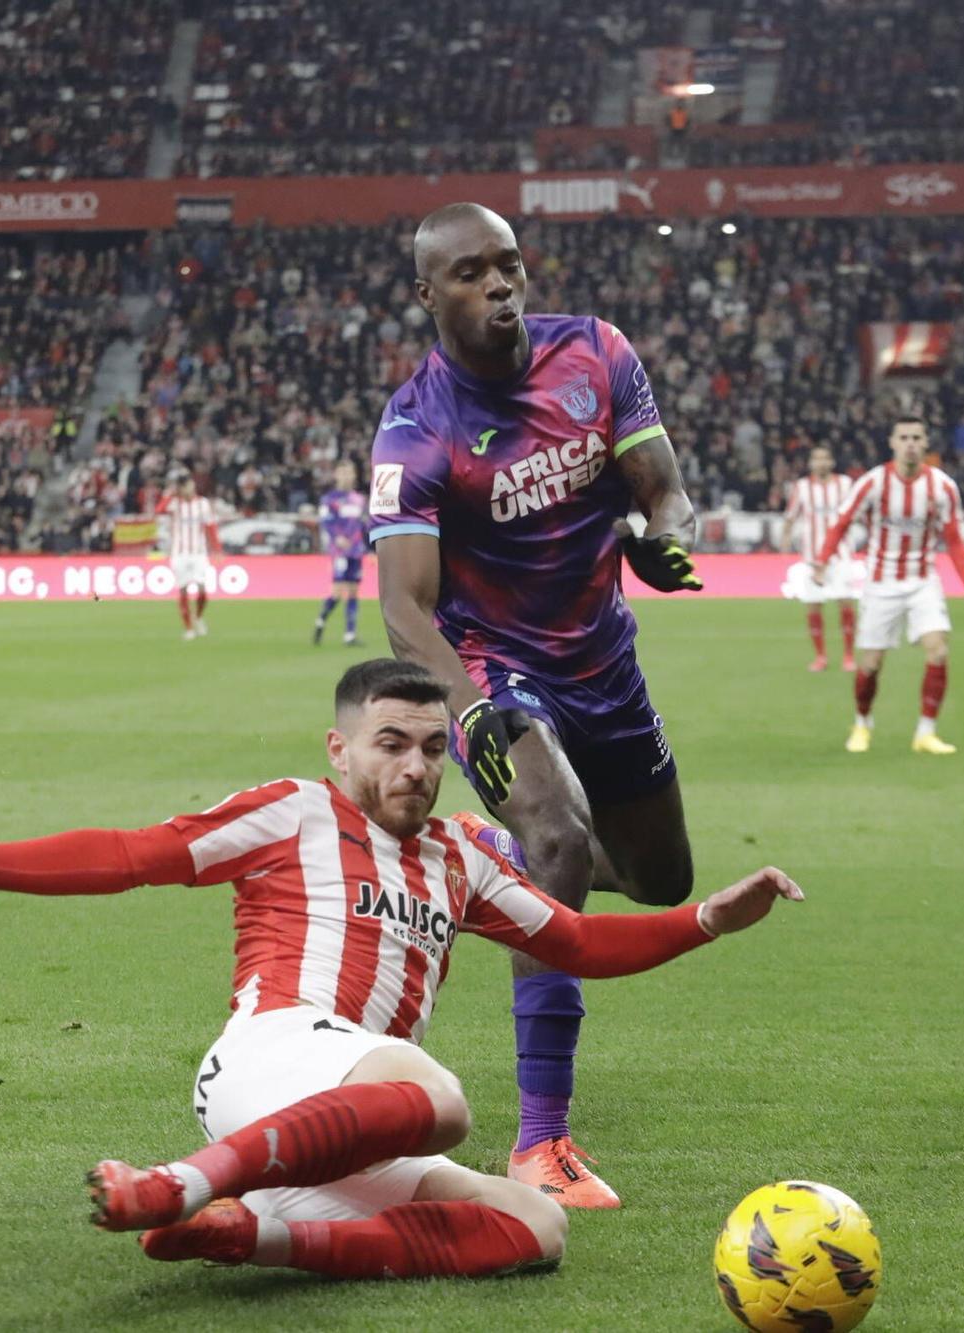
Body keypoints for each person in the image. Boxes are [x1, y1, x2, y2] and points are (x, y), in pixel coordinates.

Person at [0, 660, 803, 1278]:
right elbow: (129, 855)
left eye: (431, 748)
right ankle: (181, 1182)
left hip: (350, 1120)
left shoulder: (459, 859)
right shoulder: (292, 812)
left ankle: (247, 1233)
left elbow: (579, 942)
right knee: (442, 1097)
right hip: (269, 1058)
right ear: (340, 749)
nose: (415, 766)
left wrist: (709, 917)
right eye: (390, 744)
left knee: (532, 1230)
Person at [369, 202, 704, 1207]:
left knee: (657, 879)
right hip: (495, 660)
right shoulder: (414, 427)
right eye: (471, 272)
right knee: (557, 836)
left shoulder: (595, 353)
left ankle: (490, 870)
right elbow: (403, 603)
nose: (500, 285)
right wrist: (464, 708)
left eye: (509, 265)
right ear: (428, 293)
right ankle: (540, 1143)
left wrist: (660, 533)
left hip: (604, 659)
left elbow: (665, 489)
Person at [811, 417, 964, 754]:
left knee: (938, 649)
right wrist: (822, 562)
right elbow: (841, 523)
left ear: (926, 444)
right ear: (892, 442)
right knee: (871, 663)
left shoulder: (942, 486)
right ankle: (862, 724)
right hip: (881, 582)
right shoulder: (873, 483)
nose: (910, 443)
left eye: (917, 437)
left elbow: (954, 540)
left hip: (923, 580)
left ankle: (926, 732)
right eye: (904, 437)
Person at [781, 444, 858, 672]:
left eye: (825, 458)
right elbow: (791, 516)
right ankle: (821, 657)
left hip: (841, 554)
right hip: (812, 557)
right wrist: (785, 539)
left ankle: (848, 656)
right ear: (811, 463)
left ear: (832, 462)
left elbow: (856, 511)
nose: (821, 463)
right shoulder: (802, 487)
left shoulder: (845, 484)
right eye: (817, 459)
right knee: (813, 605)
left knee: (845, 601)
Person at [312, 456, 369, 646]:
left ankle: (350, 635)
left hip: (356, 550)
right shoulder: (330, 499)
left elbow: (364, 525)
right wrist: (337, 538)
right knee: (337, 592)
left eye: (349, 472)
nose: (346, 476)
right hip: (339, 552)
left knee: (353, 591)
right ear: (336, 474)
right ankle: (321, 620)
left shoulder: (360, 500)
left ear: (354, 475)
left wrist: (368, 546)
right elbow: (326, 522)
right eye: (343, 472)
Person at [158, 469, 217, 640]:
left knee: (202, 590)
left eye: (188, 483)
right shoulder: (175, 503)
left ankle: (198, 616)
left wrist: (217, 548)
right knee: (183, 590)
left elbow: (210, 527)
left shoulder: (203, 504)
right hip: (179, 553)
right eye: (183, 485)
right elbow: (159, 510)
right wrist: (169, 493)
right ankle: (189, 628)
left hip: (198, 553)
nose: (187, 488)